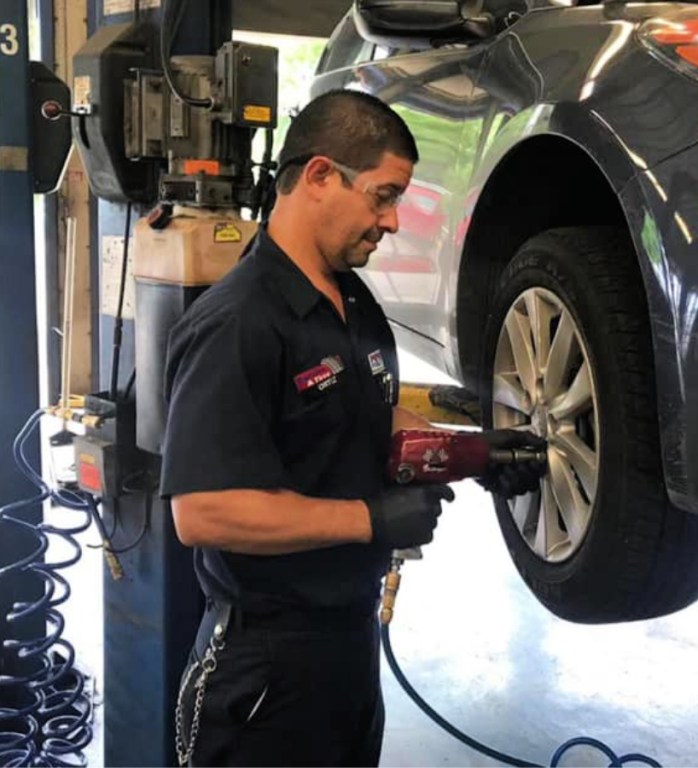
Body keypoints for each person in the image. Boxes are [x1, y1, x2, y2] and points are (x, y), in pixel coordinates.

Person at [161, 90, 545, 767]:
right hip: (263, 674)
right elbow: (205, 511)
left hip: (347, 649)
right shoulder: (239, 322)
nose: (393, 221)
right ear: (319, 177)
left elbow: (370, 417)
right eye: (383, 196)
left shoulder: (353, 301)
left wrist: (473, 454)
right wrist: (370, 521)